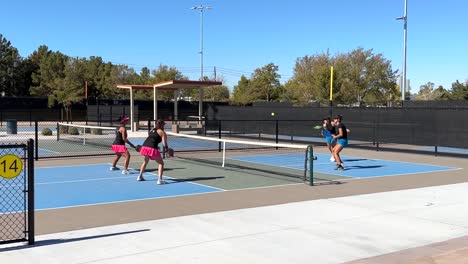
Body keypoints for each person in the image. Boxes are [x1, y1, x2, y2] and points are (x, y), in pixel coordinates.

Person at [137, 119, 168, 184]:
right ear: (161, 125)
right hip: (151, 148)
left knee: (145, 161)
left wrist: (156, 146)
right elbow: (164, 143)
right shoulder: (162, 132)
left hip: (145, 146)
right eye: (163, 124)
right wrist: (167, 149)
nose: (164, 125)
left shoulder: (152, 130)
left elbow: (150, 139)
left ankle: (139, 176)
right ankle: (160, 180)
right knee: (161, 163)